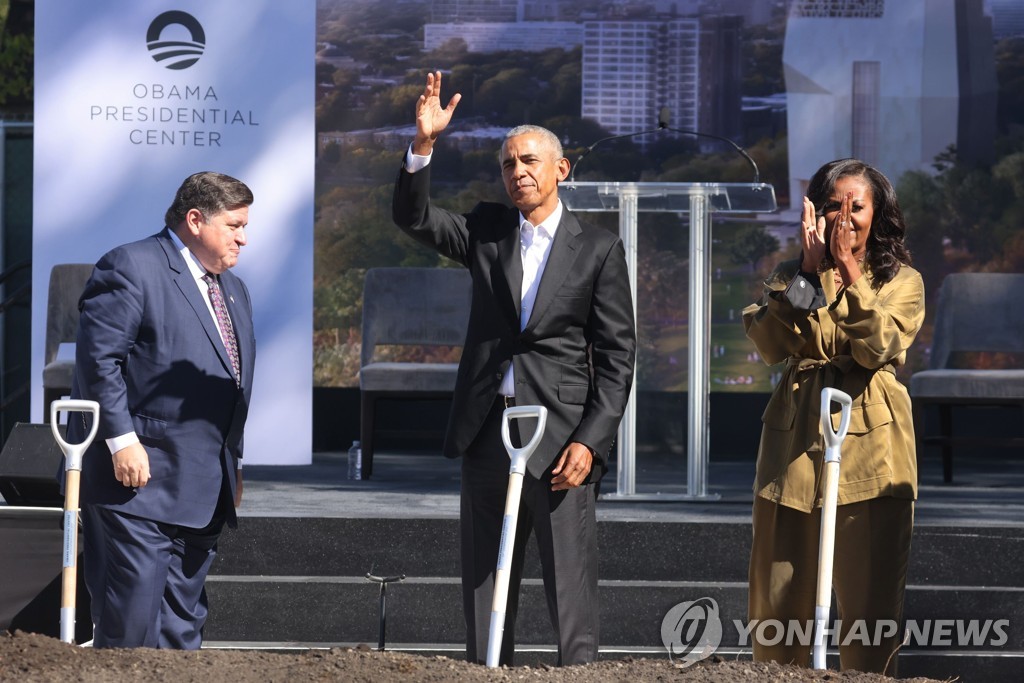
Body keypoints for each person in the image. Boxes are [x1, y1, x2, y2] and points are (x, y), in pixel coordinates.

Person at [392, 71, 636, 666]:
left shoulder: (598, 247)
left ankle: (578, 675)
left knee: (569, 579)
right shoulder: (484, 230)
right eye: (508, 164)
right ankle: (485, 670)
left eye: (529, 161)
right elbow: (414, 219)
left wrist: (591, 441)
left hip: (558, 440)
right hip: (487, 433)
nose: (518, 172)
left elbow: (617, 354)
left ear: (562, 169)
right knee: (484, 575)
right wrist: (423, 146)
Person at [742, 159, 925, 674]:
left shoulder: (902, 280)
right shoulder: (795, 274)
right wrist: (807, 270)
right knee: (778, 605)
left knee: (869, 609)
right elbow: (772, 343)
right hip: (793, 444)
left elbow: (877, 346)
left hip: (871, 448)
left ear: (878, 213)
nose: (845, 217)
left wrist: (847, 272)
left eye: (857, 206)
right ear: (815, 215)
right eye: (832, 206)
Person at [68, 171, 256, 649]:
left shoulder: (232, 288)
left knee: (179, 634)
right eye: (233, 226)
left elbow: (229, 383)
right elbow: (98, 361)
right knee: (130, 631)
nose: (243, 238)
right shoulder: (131, 265)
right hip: (136, 487)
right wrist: (122, 440)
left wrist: (231, 463)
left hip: (201, 491)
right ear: (195, 220)